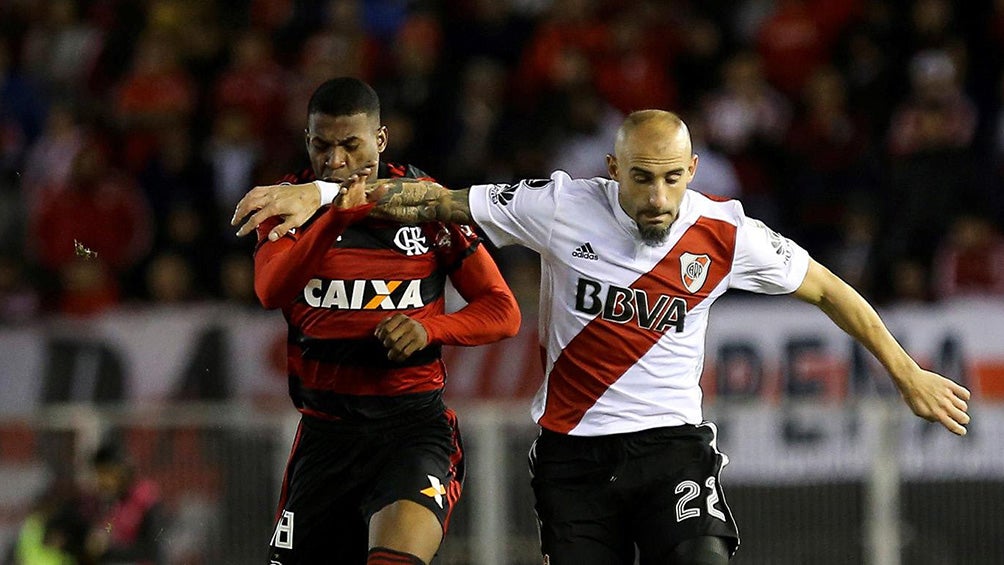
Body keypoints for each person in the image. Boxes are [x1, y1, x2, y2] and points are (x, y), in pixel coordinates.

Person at [232, 110, 971, 564]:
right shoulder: (560, 205)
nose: (657, 199)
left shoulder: (726, 231)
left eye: (673, 179)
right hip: (571, 458)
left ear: (693, 171)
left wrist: (905, 372)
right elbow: (432, 201)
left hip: (672, 444)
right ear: (613, 167)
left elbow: (831, 291)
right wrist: (325, 193)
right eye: (642, 178)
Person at [250, 77, 520, 565]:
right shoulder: (288, 202)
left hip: (411, 430)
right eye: (321, 145)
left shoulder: (426, 202)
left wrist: (430, 329)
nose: (335, 162)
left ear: (380, 140)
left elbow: (503, 310)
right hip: (325, 437)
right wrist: (335, 216)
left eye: (350, 145)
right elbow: (271, 290)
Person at [86, 441, 165, 564]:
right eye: (98, 474)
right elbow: (109, 527)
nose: (101, 481)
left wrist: (109, 550)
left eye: (105, 473)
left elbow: (154, 547)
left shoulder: (145, 499)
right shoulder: (112, 502)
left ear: (121, 470)